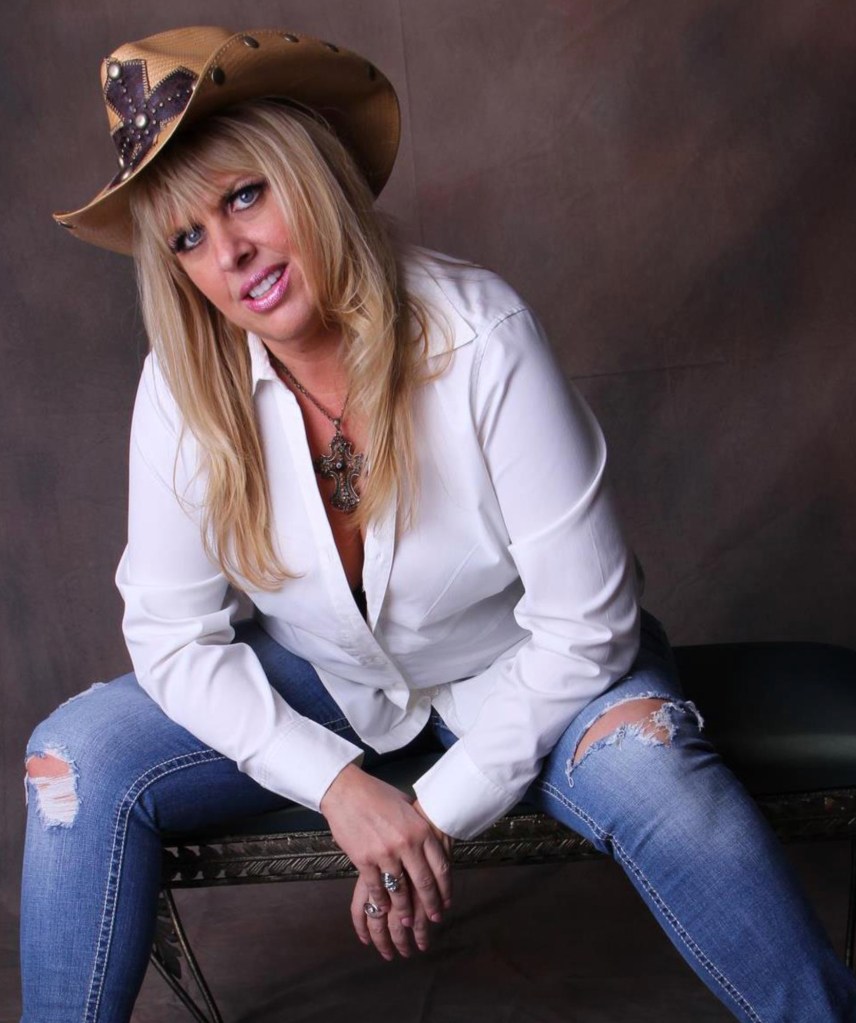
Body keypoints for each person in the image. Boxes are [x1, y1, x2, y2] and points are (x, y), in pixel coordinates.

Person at [21, 25, 856, 1023]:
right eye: (187, 238)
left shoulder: (480, 335)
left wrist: (433, 809)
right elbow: (170, 634)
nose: (229, 252)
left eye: (244, 195)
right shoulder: (183, 384)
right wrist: (336, 784)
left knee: (657, 773)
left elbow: (588, 624)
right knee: (72, 762)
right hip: (327, 678)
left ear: (310, 177)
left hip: (528, 666)